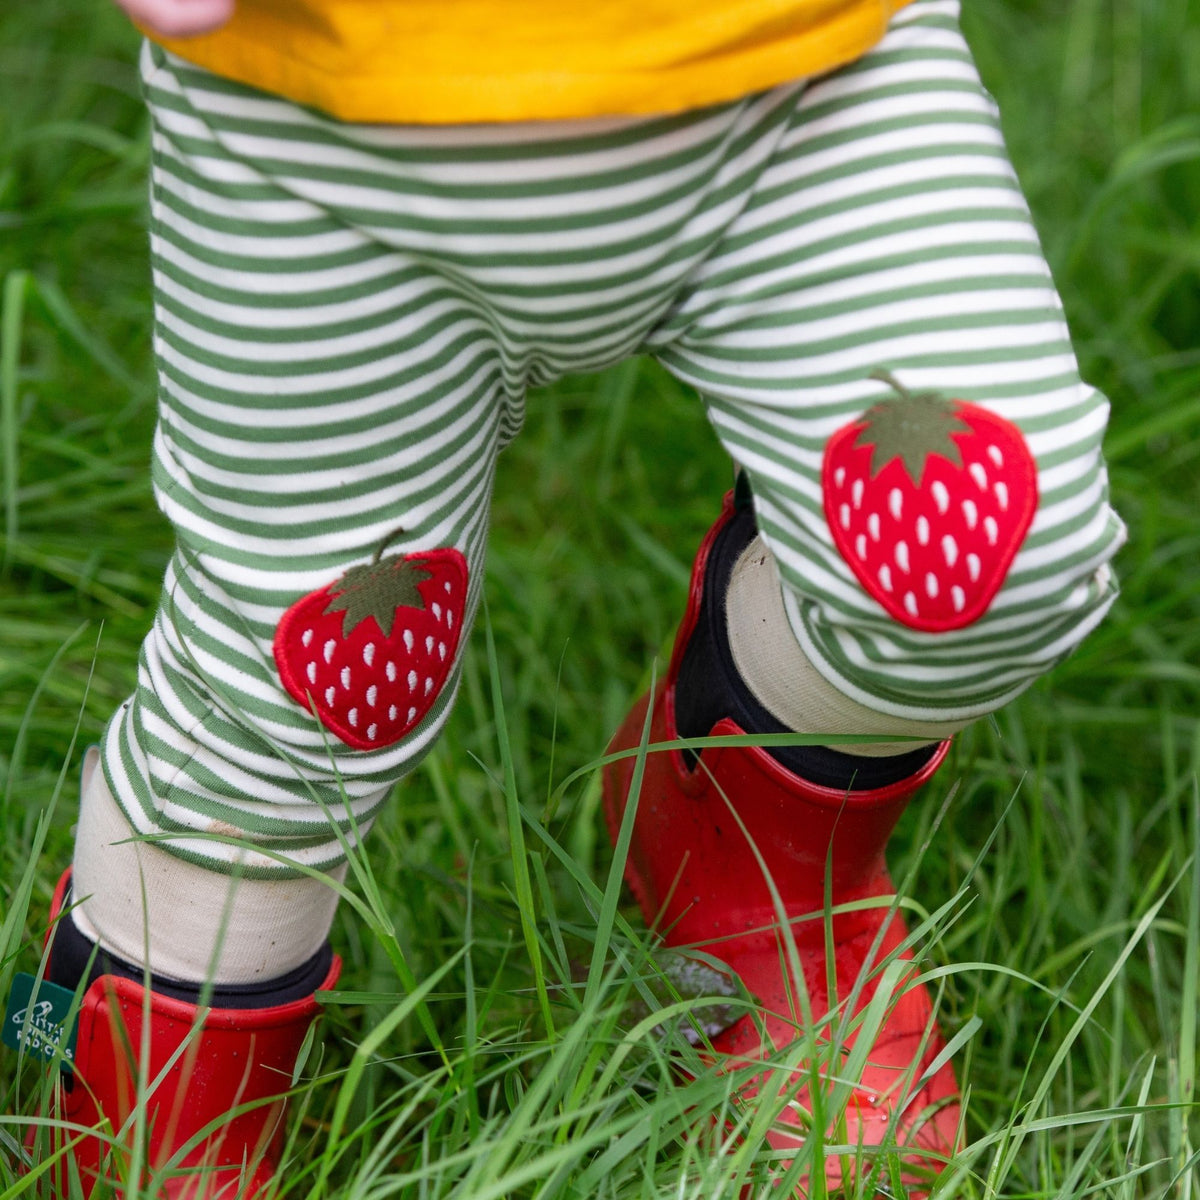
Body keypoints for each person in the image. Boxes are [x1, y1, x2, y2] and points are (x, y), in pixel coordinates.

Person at [16, 0, 1125, 1193]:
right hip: (330, 144)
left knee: (981, 552)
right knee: (307, 698)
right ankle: (142, 1130)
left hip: (807, 82)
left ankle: (735, 859)